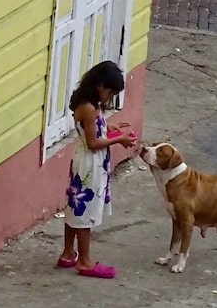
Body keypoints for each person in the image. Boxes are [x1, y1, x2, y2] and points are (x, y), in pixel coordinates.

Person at [57, 59, 137, 279]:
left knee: (75, 207)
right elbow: (93, 142)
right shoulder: (90, 109)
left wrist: (109, 128)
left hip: (82, 160)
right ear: (101, 86)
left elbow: (90, 130)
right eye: (109, 92)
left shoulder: (85, 103)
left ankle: (67, 252)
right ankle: (84, 260)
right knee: (86, 211)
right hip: (90, 164)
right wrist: (118, 139)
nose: (109, 98)